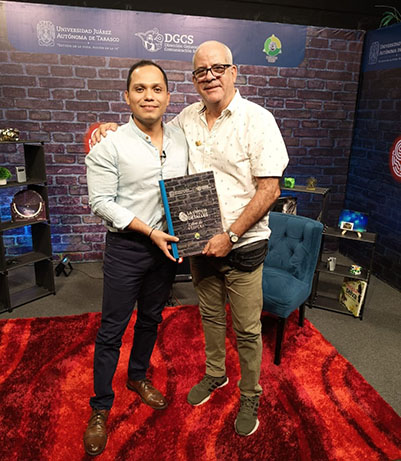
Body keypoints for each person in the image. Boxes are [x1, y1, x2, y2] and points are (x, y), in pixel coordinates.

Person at [92, 40, 289, 437]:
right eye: (201, 71)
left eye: (218, 68)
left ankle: (250, 393)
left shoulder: (258, 120)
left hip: (243, 245)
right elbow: (142, 131)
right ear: (194, 80)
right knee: (210, 318)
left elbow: (270, 190)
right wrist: (108, 128)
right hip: (196, 245)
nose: (210, 76)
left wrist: (231, 235)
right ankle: (215, 374)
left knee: (247, 329)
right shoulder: (186, 120)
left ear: (233, 72)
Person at [84, 60, 187, 456]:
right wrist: (148, 230)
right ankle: (100, 407)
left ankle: (138, 376)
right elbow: (100, 202)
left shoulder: (180, 137)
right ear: (126, 96)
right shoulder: (109, 145)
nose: (149, 96)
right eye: (140, 89)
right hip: (127, 247)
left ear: (168, 96)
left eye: (157, 89)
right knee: (112, 329)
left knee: (151, 318)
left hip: (168, 247)